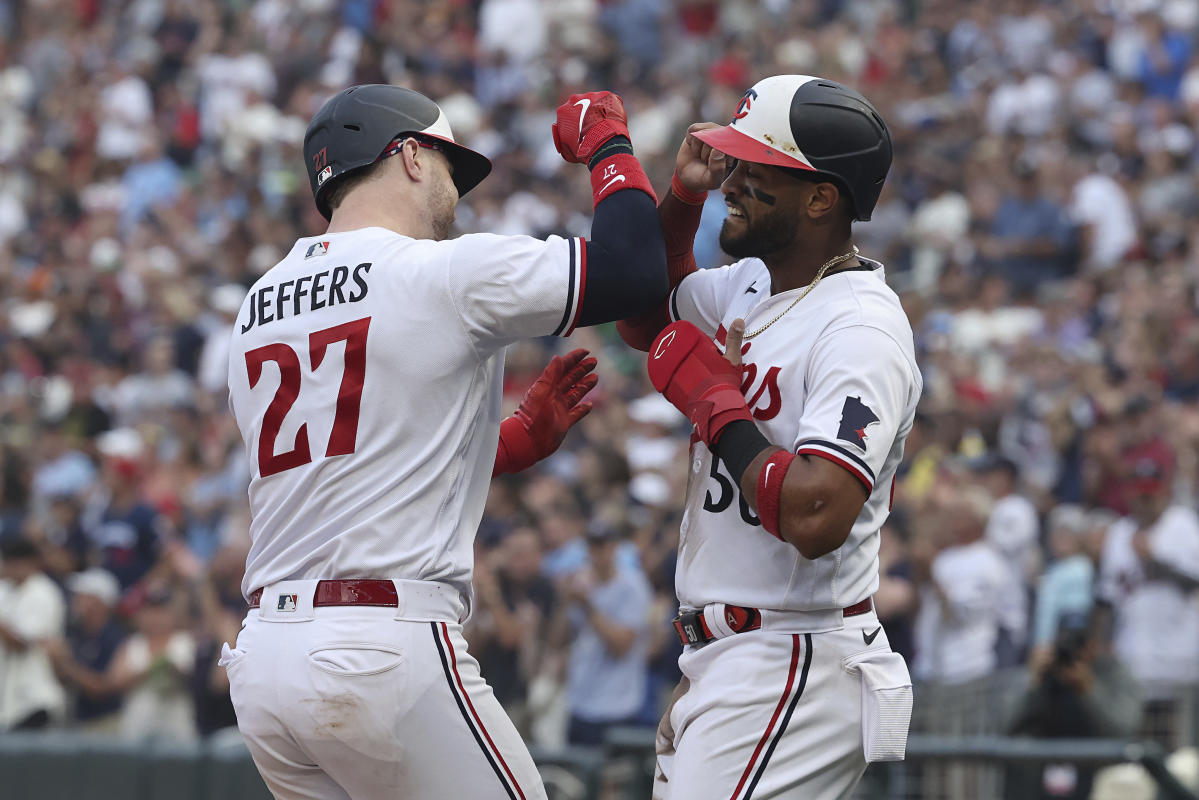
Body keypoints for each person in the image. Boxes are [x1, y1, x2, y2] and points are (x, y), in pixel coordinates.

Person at [222, 83, 666, 799]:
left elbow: (358, 464)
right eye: (449, 164)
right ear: (408, 156)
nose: (456, 187)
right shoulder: (436, 272)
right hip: (379, 645)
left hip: (267, 659)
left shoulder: (257, 303)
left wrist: (509, 445)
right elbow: (635, 272)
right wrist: (610, 146)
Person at [615, 75, 919, 798]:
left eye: (756, 168)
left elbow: (816, 515)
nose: (732, 179)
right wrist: (679, 198)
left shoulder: (861, 329)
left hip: (793, 651)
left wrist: (715, 405)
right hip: (732, 654)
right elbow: (640, 310)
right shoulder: (752, 281)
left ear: (819, 197)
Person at [559, 522, 652, 746]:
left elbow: (621, 646)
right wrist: (563, 600)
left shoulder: (633, 585)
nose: (597, 552)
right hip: (579, 700)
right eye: (592, 545)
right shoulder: (580, 580)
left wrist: (586, 605)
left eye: (602, 545)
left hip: (616, 705)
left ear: (614, 547)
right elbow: (558, 639)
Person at [0, 537, 67, 730]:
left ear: (32, 563)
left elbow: (21, 643)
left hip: (35, 698)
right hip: (7, 697)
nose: (11, 568)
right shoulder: (4, 590)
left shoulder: (44, 593)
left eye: (16, 563)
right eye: (9, 563)